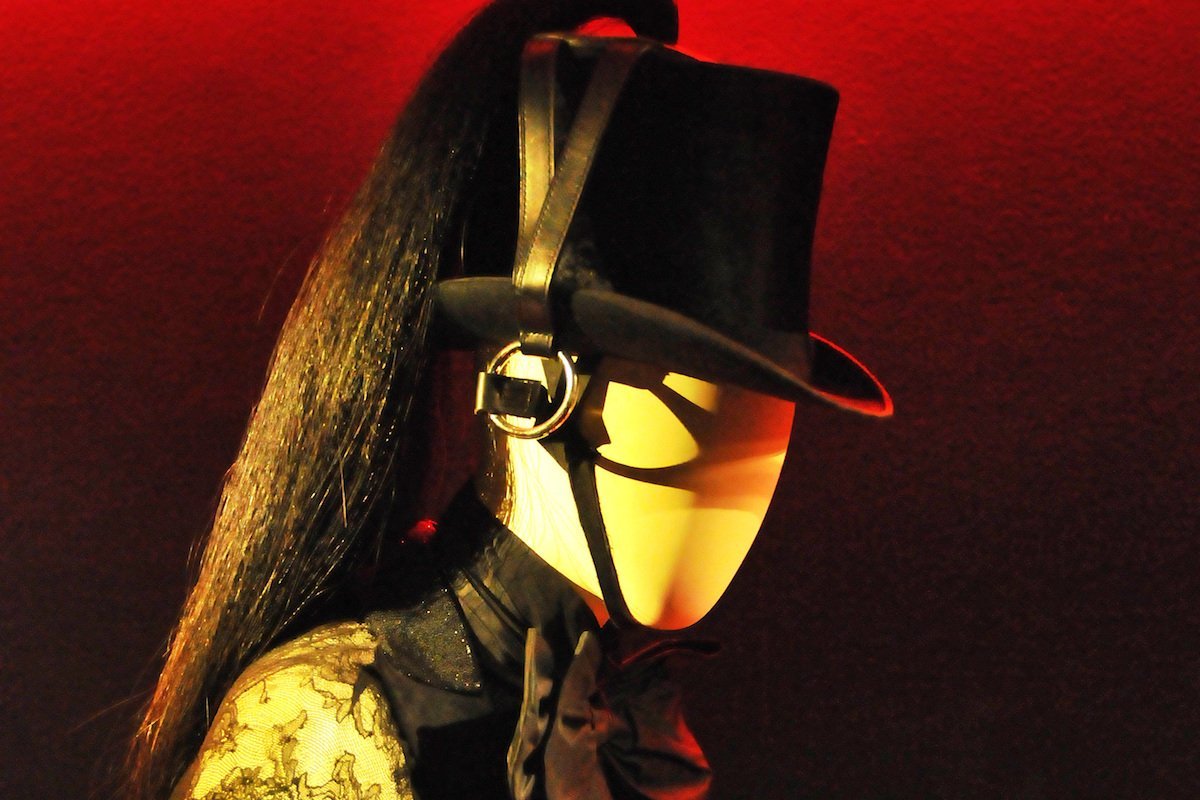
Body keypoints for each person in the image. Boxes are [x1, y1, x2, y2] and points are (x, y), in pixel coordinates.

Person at [128, 1, 891, 798]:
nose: (746, 464)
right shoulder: (323, 725)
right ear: (534, 388)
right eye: (706, 401)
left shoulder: (624, 720)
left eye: (770, 410)